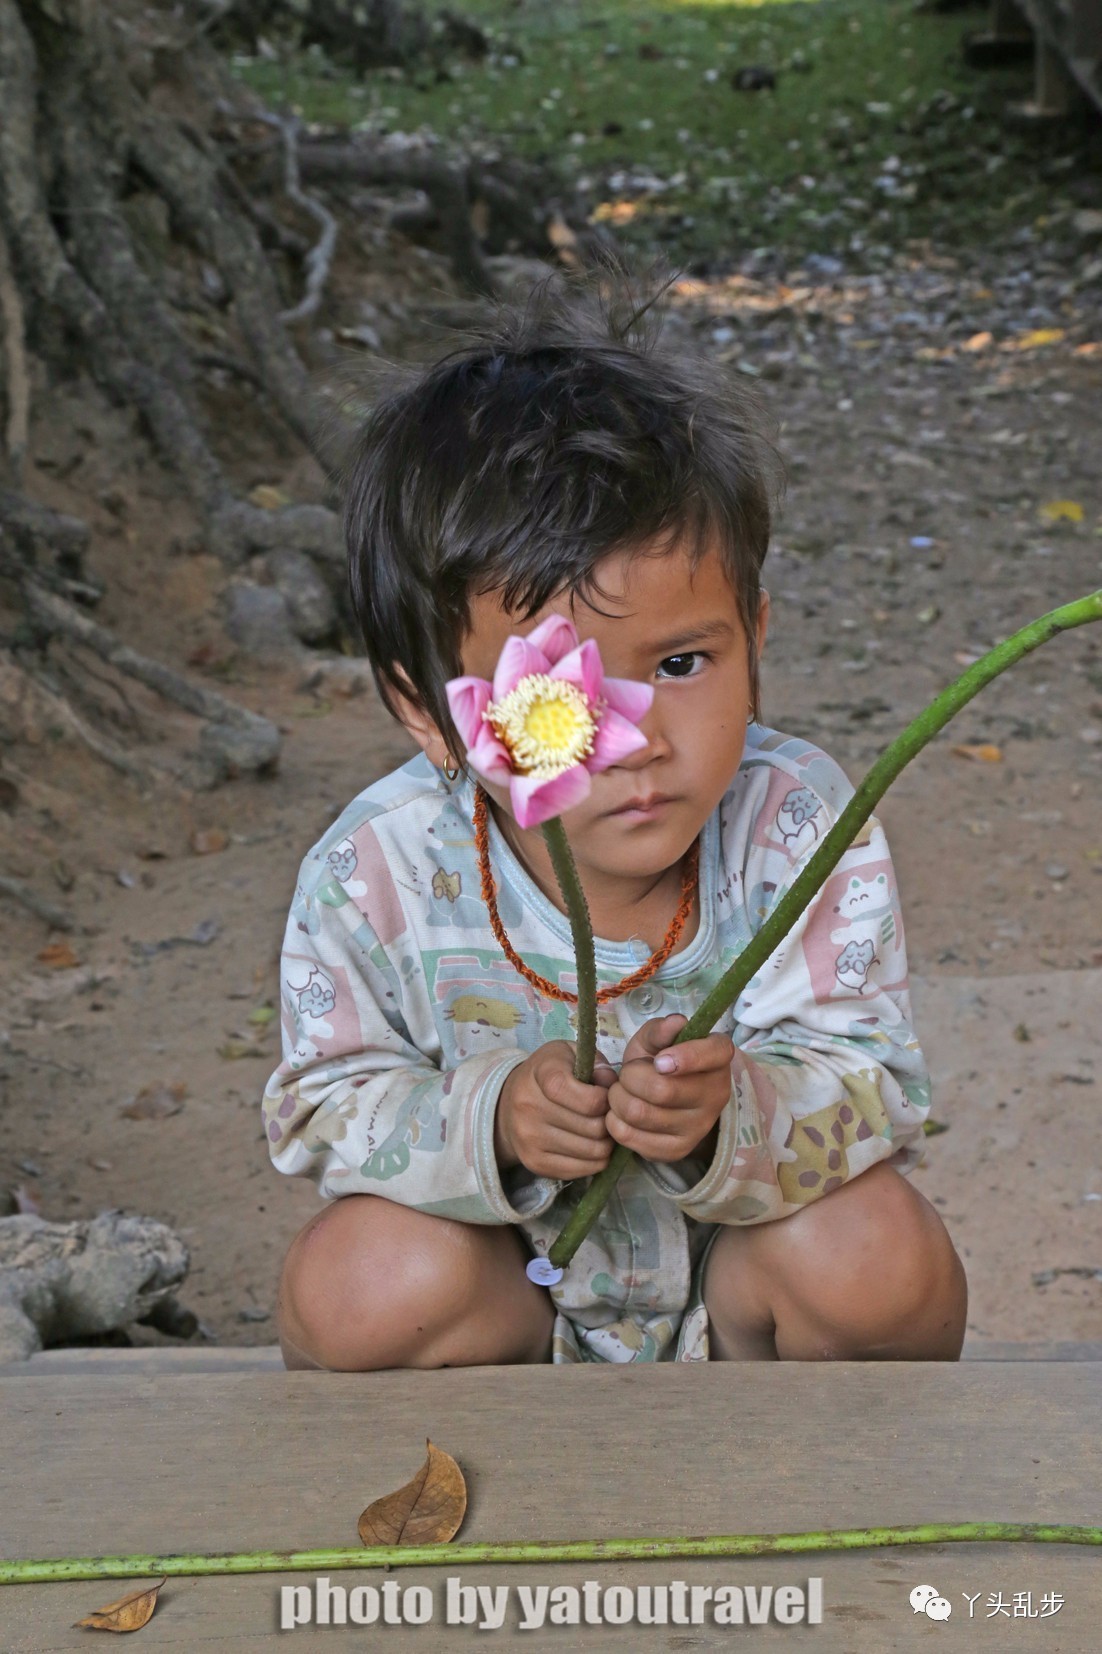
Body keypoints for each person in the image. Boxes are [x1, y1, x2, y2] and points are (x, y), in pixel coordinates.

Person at [265, 281, 967, 1371]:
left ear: (754, 631)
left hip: (747, 1309)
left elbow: (877, 1080)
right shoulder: (376, 871)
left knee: (877, 1255)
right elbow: (318, 1107)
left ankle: (801, 1479)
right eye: (559, 701)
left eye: (682, 664)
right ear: (430, 714)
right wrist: (492, 1118)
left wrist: (737, 1107)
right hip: (506, 1309)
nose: (632, 739)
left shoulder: (798, 828)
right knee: (349, 1287)